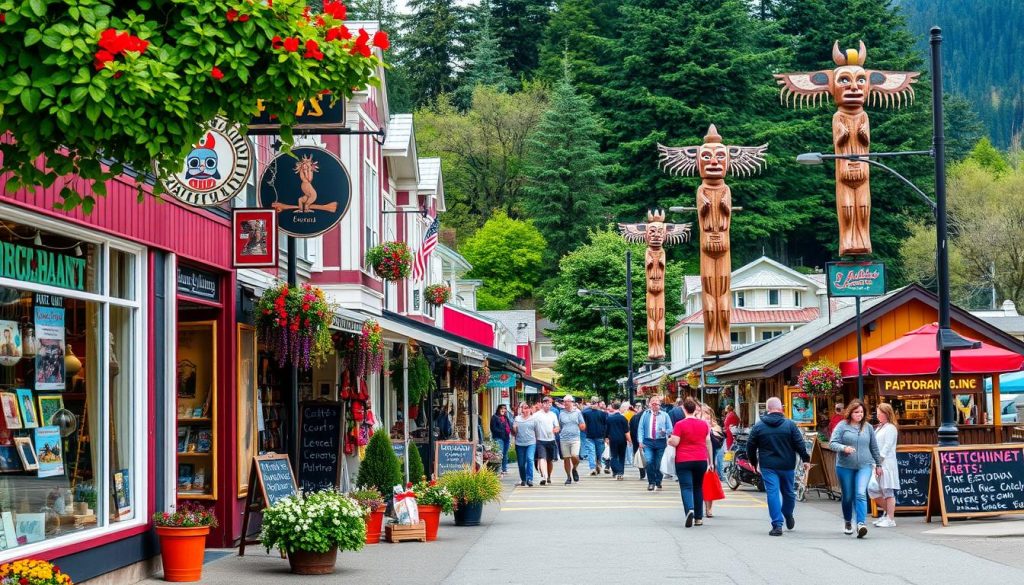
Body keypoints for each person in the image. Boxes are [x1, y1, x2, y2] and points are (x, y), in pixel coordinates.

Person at [746, 397, 811, 537]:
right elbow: (799, 443)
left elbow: (750, 445)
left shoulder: (759, 426)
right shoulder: (790, 425)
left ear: (768, 409)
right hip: (787, 464)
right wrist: (806, 459)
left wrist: (753, 461)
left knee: (772, 493)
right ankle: (788, 513)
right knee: (788, 492)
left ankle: (777, 524)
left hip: (768, 465)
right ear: (781, 408)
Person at [829, 399, 882, 538]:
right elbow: (832, 443)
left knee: (860, 493)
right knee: (847, 496)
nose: (859, 414)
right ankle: (848, 521)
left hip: (864, 465)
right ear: (850, 412)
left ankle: (861, 524)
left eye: (861, 412)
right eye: (856, 412)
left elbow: (874, 447)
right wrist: (843, 448)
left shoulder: (868, 428)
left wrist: (878, 465)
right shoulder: (842, 426)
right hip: (845, 466)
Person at [669, 399, 712, 527]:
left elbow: (675, 442)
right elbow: (708, 442)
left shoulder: (679, 424)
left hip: (683, 459)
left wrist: (669, 441)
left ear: (684, 409)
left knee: (686, 487)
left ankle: (689, 510)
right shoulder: (704, 424)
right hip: (700, 459)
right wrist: (711, 461)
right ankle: (699, 518)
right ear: (695, 410)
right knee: (698, 487)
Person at [871, 403, 900, 528]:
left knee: (888, 490)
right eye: (877, 412)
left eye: (879, 413)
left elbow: (887, 446)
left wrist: (879, 462)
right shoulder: (880, 427)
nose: (877, 415)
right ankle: (887, 514)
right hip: (877, 463)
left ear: (886, 413)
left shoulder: (891, 428)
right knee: (875, 489)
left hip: (886, 464)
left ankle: (890, 518)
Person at [637, 396, 674, 491]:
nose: (654, 405)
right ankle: (651, 482)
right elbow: (640, 428)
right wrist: (640, 441)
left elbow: (671, 429)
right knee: (649, 462)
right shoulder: (645, 414)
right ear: (649, 404)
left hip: (660, 442)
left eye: (656, 403)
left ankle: (658, 480)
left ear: (659, 404)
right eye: (652, 403)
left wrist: (665, 432)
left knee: (659, 463)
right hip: (648, 442)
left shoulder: (665, 415)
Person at [557, 395, 586, 485]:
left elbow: (583, 424)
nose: (565, 403)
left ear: (572, 402)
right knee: (566, 458)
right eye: (564, 401)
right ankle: (568, 477)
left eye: (567, 401)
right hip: (564, 438)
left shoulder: (577, 412)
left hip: (575, 438)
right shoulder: (561, 413)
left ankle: (574, 469)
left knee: (574, 455)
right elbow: (560, 425)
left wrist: (582, 426)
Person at [702, 405, 727, 508]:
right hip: (698, 457)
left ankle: (709, 508)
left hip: (709, 459)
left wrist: (710, 431)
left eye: (707, 413)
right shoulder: (696, 424)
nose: (705, 416)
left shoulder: (715, 427)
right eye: (703, 413)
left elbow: (718, 442)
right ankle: (699, 507)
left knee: (709, 484)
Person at [532, 397, 560, 486]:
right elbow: (531, 425)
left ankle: (548, 476)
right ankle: (543, 476)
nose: (548, 405)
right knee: (542, 458)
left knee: (549, 461)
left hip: (551, 440)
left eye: (549, 404)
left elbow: (557, 426)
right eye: (546, 403)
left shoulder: (553, 414)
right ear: (542, 404)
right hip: (540, 440)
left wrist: (556, 429)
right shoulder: (536, 415)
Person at [582, 396, 609, 475]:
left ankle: (593, 467)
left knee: (592, 452)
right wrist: (606, 436)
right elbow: (605, 426)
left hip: (590, 435)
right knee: (598, 453)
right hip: (599, 436)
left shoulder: (585, 413)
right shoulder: (604, 414)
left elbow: (582, 424)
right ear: (598, 403)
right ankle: (596, 465)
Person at [513, 403, 537, 487]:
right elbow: (514, 432)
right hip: (519, 443)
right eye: (524, 408)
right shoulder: (517, 418)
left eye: (527, 408)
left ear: (530, 409)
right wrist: (515, 428)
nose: (525, 410)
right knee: (521, 463)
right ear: (521, 409)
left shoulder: (534, 419)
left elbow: (537, 430)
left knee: (530, 459)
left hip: (531, 443)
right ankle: (523, 479)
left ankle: (530, 479)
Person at [606, 401, 631, 480]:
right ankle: (620, 472)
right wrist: (630, 440)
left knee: (614, 456)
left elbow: (606, 430)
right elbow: (626, 431)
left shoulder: (609, 418)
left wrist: (606, 438)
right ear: (620, 408)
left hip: (612, 439)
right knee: (622, 456)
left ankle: (615, 471)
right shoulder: (623, 418)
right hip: (622, 440)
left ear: (613, 407)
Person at [490, 404, 514, 475]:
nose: (503, 410)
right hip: (498, 438)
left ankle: (504, 469)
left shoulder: (506, 417)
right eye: (502, 408)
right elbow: (493, 428)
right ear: (498, 409)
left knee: (505, 454)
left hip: (506, 438)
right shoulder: (494, 417)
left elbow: (510, 426)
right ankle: (499, 469)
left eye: (505, 409)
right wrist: (502, 431)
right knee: (499, 453)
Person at [629, 402, 646, 480]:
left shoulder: (633, 418)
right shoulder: (646, 416)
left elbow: (631, 430)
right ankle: (648, 471)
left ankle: (642, 472)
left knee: (639, 456)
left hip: (636, 440)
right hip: (645, 440)